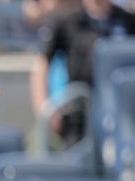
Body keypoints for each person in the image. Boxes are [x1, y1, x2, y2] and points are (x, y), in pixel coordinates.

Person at [30, 0, 135, 147]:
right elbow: (42, 61)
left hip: (119, 113)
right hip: (79, 113)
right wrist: (44, 107)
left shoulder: (126, 20)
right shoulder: (67, 18)